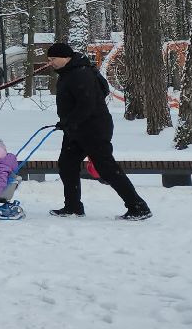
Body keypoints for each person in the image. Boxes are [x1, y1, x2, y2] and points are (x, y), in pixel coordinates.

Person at [44, 42, 150, 220]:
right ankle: (72, 207)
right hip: (75, 130)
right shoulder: (69, 73)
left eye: (53, 59)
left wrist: (68, 121)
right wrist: (68, 123)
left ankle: (138, 207)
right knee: (67, 165)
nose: (51, 62)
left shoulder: (80, 74)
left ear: (66, 57)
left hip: (93, 129)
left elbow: (88, 104)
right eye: (49, 59)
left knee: (107, 168)